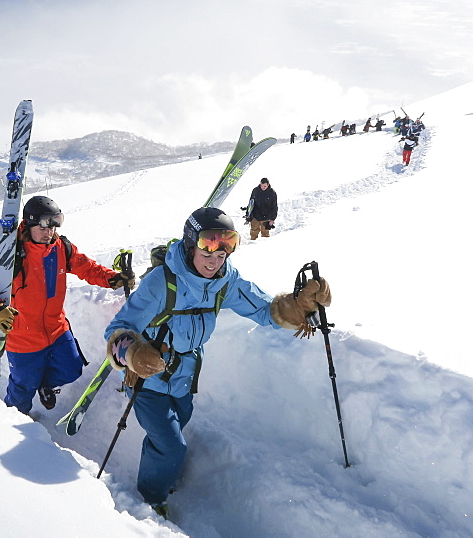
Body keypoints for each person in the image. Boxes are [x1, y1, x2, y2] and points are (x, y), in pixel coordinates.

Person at [103, 207, 331, 517]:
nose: (215, 259)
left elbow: (264, 310)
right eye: (207, 248)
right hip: (147, 379)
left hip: (184, 378)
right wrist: (133, 353)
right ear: (189, 245)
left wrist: (297, 306)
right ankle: (150, 499)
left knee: (171, 433)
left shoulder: (226, 280)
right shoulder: (162, 282)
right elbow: (117, 329)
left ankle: (161, 467)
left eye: (224, 250)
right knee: (172, 445)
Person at [0, 195, 133, 414]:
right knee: (21, 393)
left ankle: (45, 384)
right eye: (45, 226)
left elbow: (87, 267)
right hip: (23, 337)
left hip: (56, 329)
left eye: (55, 224)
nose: (50, 232)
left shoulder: (61, 247)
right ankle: (12, 427)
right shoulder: (10, 253)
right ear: (29, 223)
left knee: (72, 369)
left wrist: (112, 279)